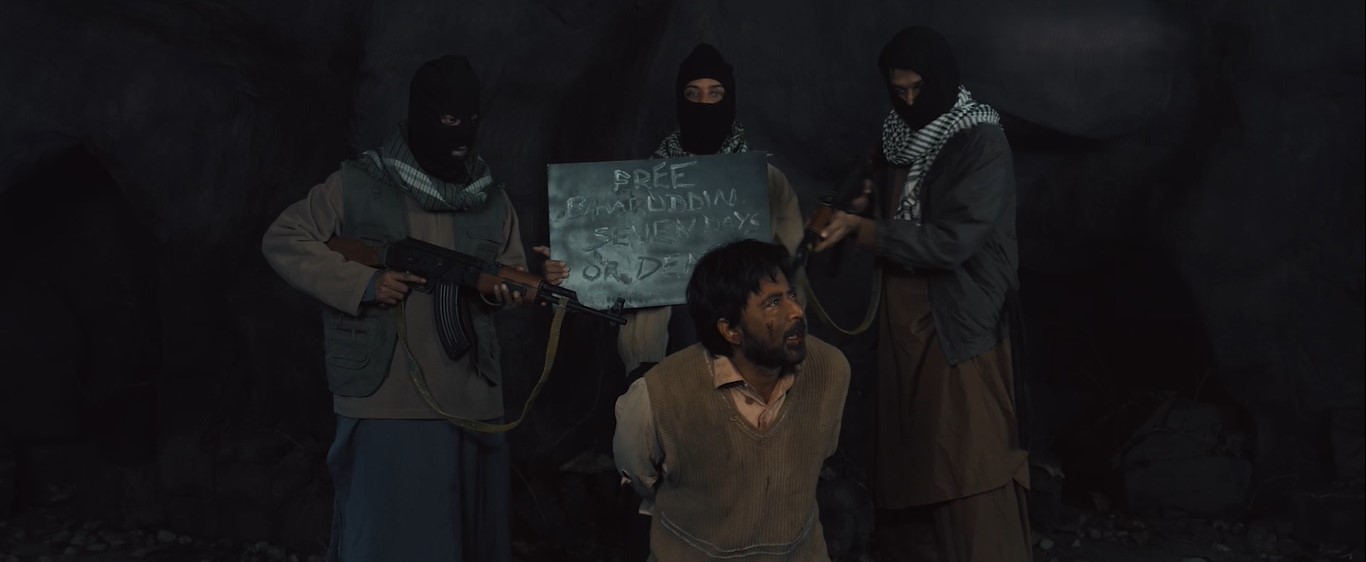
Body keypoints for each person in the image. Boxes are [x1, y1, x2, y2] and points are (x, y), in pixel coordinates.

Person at [261, 54, 567, 562]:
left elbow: (507, 273)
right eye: (448, 119)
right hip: (387, 397)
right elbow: (284, 238)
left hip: (472, 400)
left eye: (471, 120)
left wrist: (510, 291)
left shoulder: (491, 197)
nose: (461, 133)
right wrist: (364, 283)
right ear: (422, 114)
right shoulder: (359, 183)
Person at [810, 27, 1031, 562]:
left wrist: (863, 230)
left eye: (917, 89)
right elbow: (889, 200)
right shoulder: (895, 137)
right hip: (903, 322)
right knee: (911, 459)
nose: (909, 101)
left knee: (971, 460)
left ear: (942, 82)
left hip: (961, 324)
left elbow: (953, 240)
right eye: (899, 90)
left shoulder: (980, 141)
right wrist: (857, 206)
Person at [614, 239, 851, 561]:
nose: (796, 312)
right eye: (773, 303)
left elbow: (820, 452)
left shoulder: (830, 369)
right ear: (730, 331)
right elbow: (640, 476)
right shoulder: (659, 395)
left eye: (791, 296)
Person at [617, 43, 805, 377]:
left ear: (729, 99)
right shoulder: (642, 183)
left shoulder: (768, 183)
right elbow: (614, 257)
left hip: (742, 351)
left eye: (715, 94)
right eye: (693, 94)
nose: (704, 104)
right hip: (660, 349)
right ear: (680, 101)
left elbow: (792, 272)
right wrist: (573, 264)